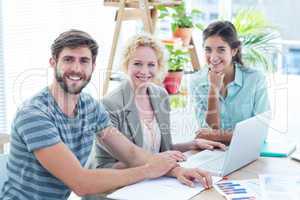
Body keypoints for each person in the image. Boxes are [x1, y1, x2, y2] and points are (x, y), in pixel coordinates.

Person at [1, 30, 211, 200]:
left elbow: (130, 153)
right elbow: (81, 183)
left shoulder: (90, 106)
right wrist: (149, 170)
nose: (76, 68)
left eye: (84, 61)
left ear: (93, 66)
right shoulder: (35, 115)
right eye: (68, 59)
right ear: (53, 62)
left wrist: (176, 171)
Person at [87, 34, 225, 171]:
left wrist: (193, 144)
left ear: (159, 66)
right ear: (126, 64)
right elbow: (112, 165)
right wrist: (158, 160)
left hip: (150, 179)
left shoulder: (160, 95)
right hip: (115, 184)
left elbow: (163, 149)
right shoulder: (109, 105)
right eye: (137, 64)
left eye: (151, 64)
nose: (144, 71)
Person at [190, 21, 270, 144]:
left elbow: (260, 131)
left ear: (234, 51)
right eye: (208, 50)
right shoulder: (197, 81)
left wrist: (216, 136)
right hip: (212, 152)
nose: (213, 57)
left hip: (248, 150)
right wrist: (213, 89)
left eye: (221, 50)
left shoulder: (255, 79)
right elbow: (206, 133)